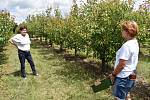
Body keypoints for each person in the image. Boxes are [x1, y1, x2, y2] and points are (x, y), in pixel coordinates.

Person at [110, 21, 139, 100]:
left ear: (128, 31)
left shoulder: (127, 46)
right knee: (127, 94)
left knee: (119, 98)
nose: (121, 32)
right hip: (131, 75)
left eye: (123, 30)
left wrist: (113, 74)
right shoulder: (135, 43)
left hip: (123, 77)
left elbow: (122, 64)